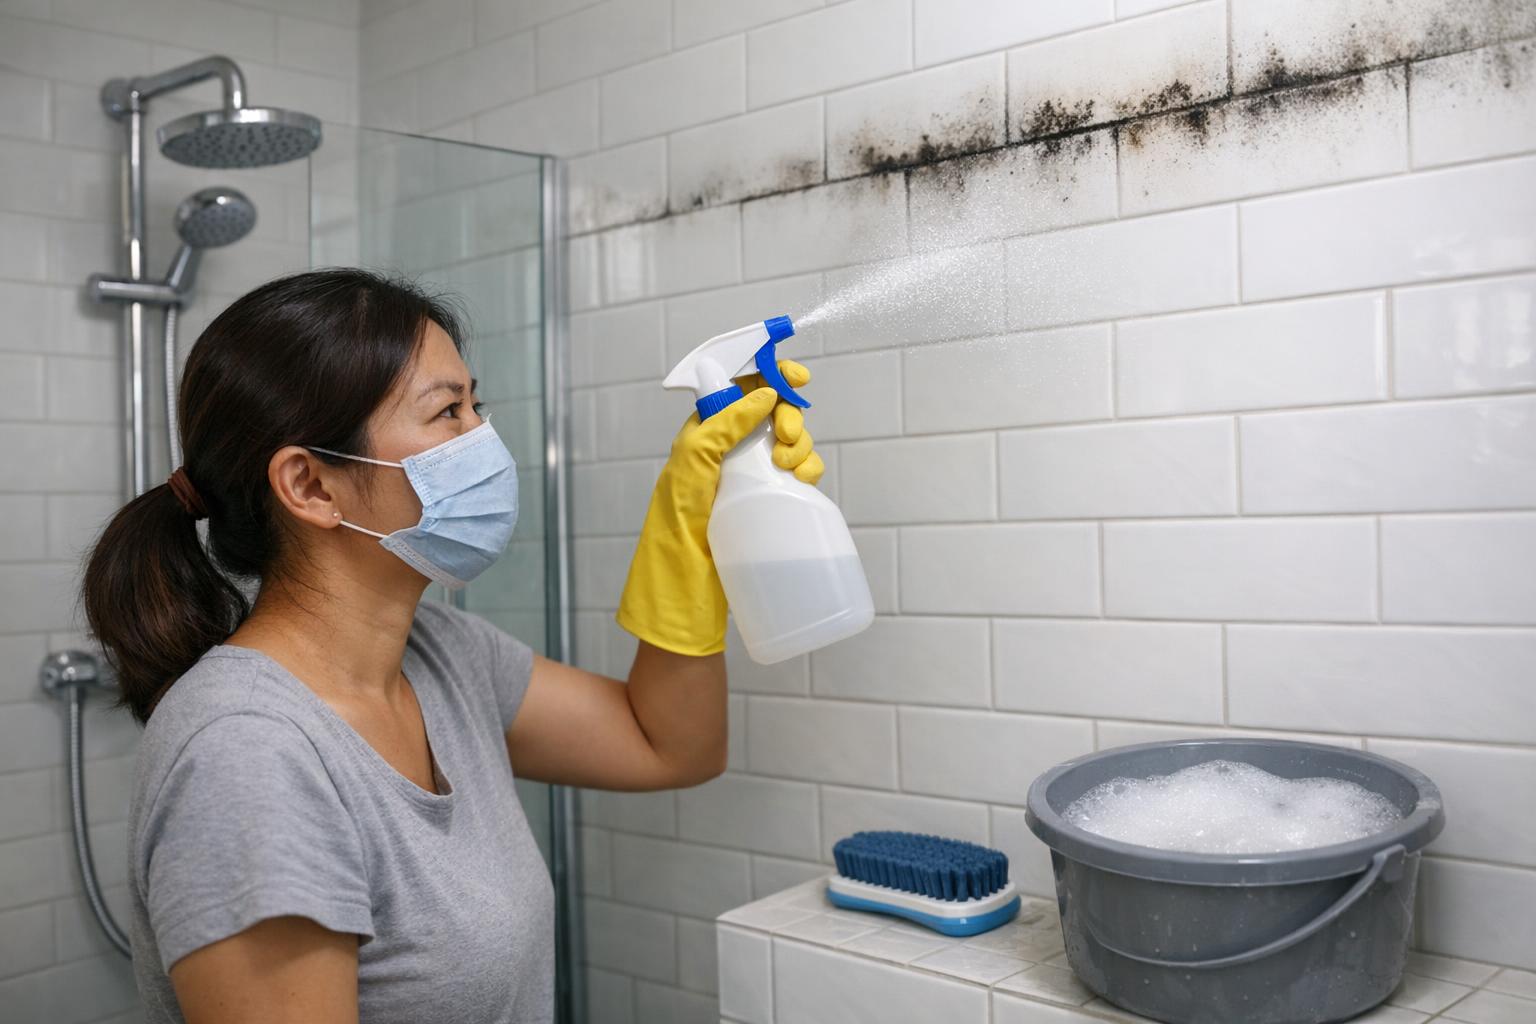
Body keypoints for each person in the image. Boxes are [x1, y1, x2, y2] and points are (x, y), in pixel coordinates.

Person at [80, 268, 823, 1024]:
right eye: (447, 414)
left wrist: (691, 530)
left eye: (477, 404)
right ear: (310, 486)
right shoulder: (246, 756)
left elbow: (668, 745)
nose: (486, 442)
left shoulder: (442, 656)